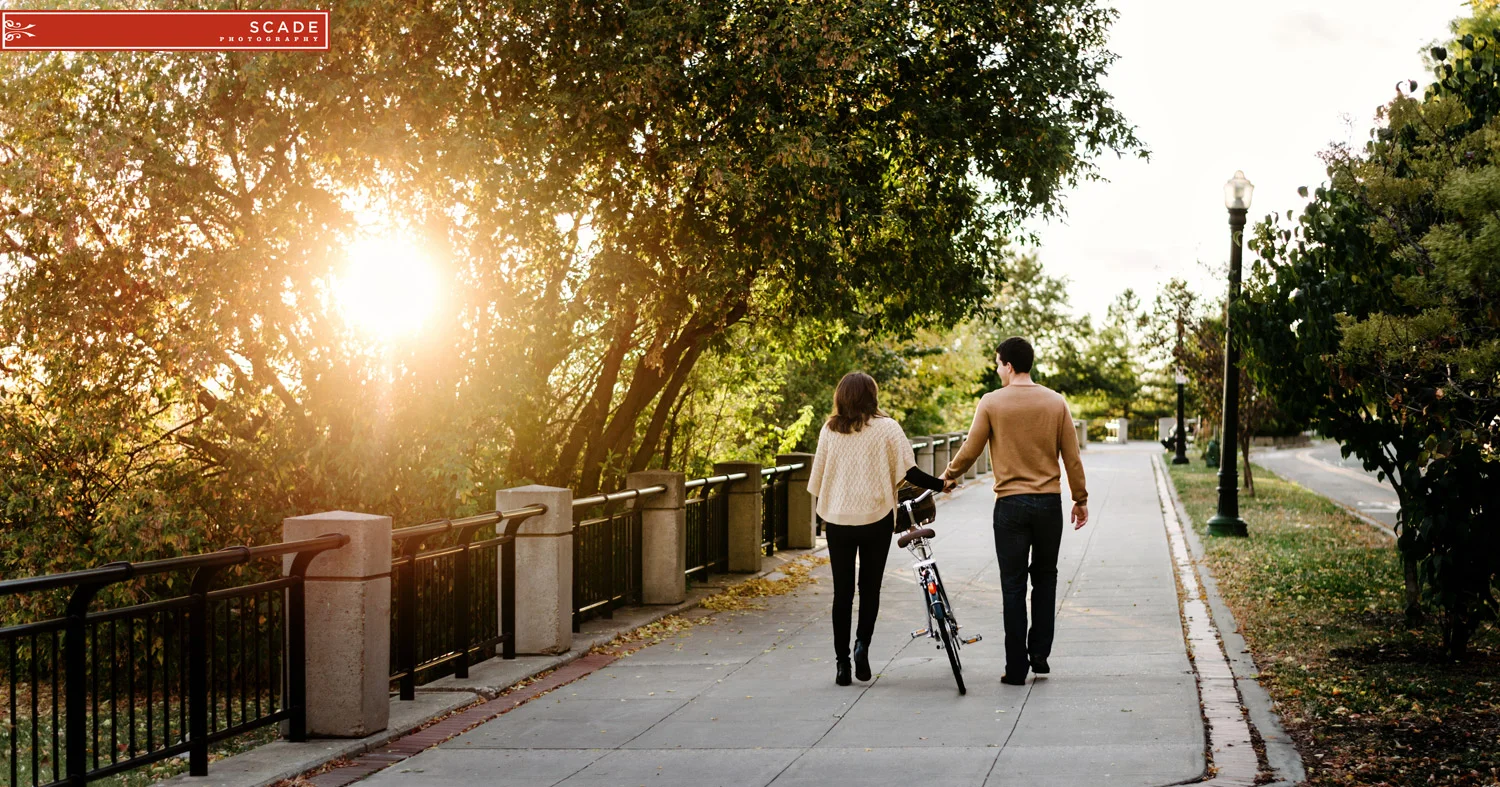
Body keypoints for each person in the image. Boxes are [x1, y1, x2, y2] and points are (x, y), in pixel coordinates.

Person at [942, 337, 1088, 685]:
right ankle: (1039, 654)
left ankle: (1016, 667)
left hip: (1009, 505)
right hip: (1048, 504)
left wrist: (948, 476)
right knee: (1045, 580)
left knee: (1012, 586)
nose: (996, 370)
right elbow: (1072, 456)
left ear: (1008, 365)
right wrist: (1080, 499)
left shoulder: (992, 402)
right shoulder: (1055, 402)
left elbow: (971, 449)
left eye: (997, 364)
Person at [807, 372, 947, 686]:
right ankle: (862, 647)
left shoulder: (830, 429)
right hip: (877, 519)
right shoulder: (888, 428)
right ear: (872, 396)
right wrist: (942, 485)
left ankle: (842, 664)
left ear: (841, 396)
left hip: (838, 520)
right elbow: (910, 472)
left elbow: (818, 479)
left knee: (842, 593)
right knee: (870, 589)